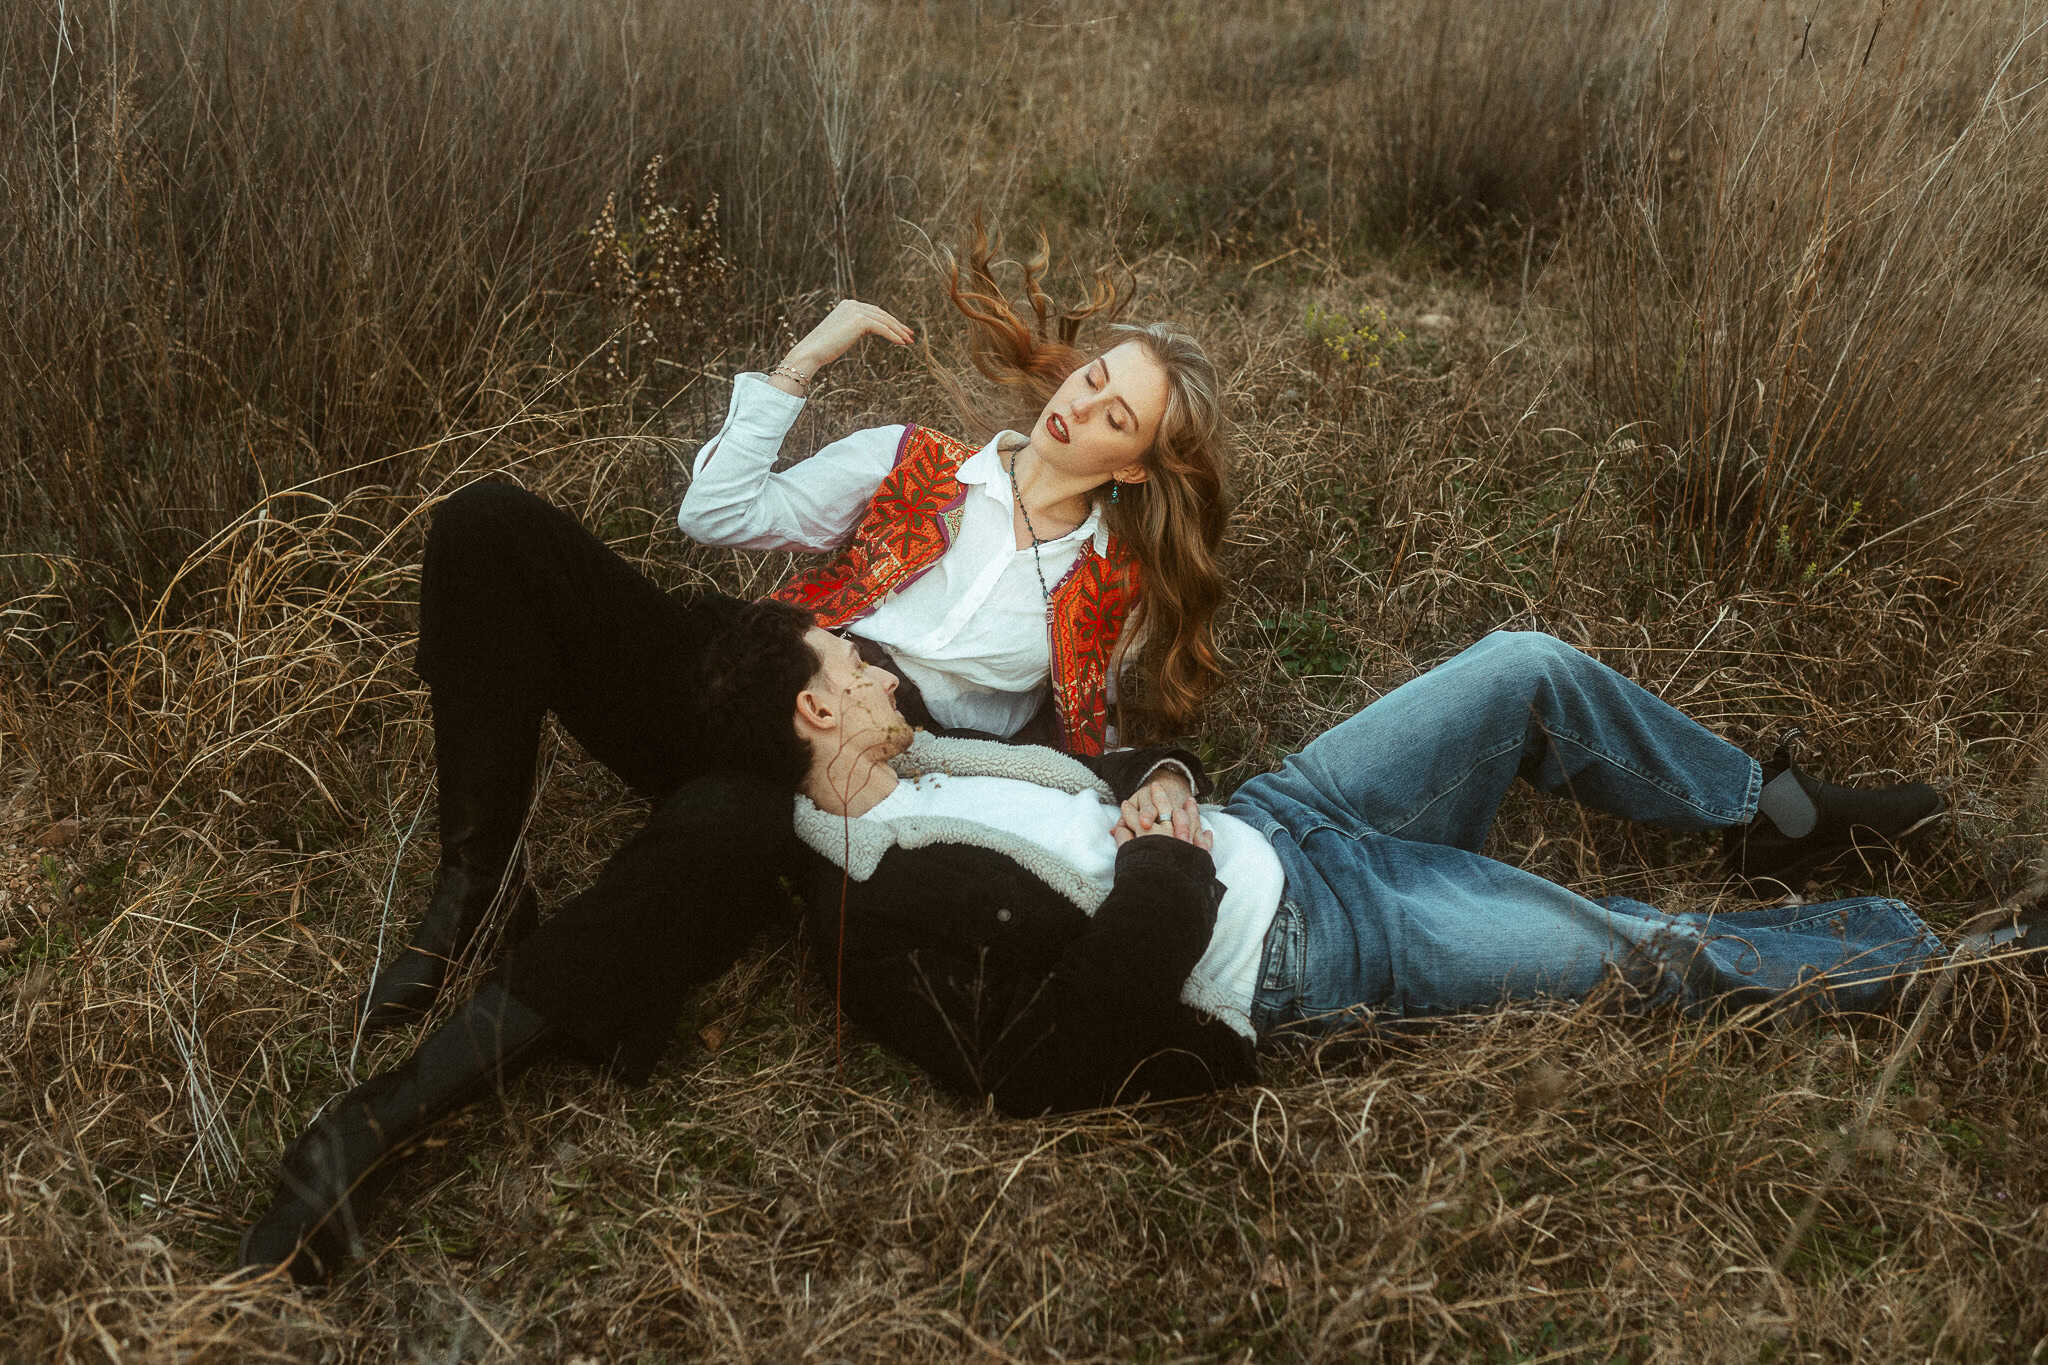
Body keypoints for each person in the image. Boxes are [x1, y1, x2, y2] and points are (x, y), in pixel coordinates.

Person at [237, 615, 1942, 1284]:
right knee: (1645, 956)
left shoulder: (950, 757)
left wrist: (1168, 787)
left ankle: (1765, 810)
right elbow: (1035, 1067)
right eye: (854, 661)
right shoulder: (861, 919)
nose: (885, 665)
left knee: (1520, 668)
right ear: (820, 714)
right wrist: (1168, 884)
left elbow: (1115, 765)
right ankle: (1944, 954)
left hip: (1286, 811)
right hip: (1297, 941)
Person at [352, 231, 1232, 1035]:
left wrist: (1157, 787)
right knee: (488, 523)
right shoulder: (914, 459)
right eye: (1094, 377)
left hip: (854, 770)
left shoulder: (1117, 585)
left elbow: (1090, 741)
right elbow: (716, 513)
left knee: (731, 816)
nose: (1082, 403)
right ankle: (477, 889)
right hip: (758, 665)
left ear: (1134, 468)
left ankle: (531, 1007)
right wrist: (805, 359)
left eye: (1118, 418)